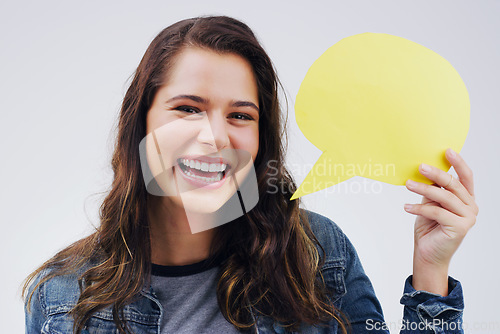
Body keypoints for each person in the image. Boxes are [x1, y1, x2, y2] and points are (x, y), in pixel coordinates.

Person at [23, 16, 478, 334]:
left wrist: (431, 271)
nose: (215, 136)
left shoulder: (320, 256)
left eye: (240, 116)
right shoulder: (61, 296)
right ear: (142, 120)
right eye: (187, 108)